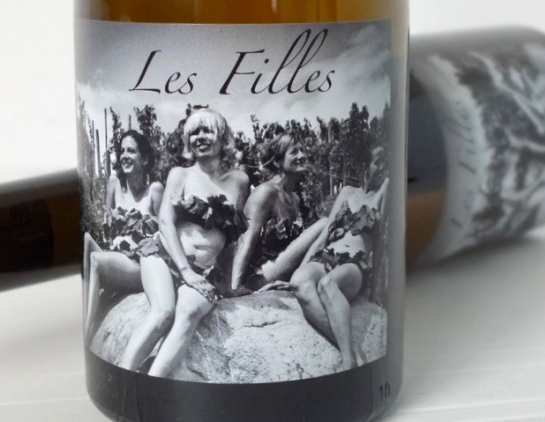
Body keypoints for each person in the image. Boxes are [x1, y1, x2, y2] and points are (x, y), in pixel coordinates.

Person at [121, 107, 249, 376]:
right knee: (163, 312)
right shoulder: (180, 174)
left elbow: (233, 236)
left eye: (207, 130)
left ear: (222, 137)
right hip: (165, 256)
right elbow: (165, 222)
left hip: (204, 271)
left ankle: (152, 385)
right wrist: (185, 271)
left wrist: (228, 285)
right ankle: (121, 379)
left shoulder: (239, 181)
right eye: (194, 132)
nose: (200, 137)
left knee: (189, 313)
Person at [289, 146, 388, 371]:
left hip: (354, 264)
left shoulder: (383, 190)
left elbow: (380, 244)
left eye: (385, 161)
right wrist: (295, 274)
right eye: (378, 161)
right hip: (327, 256)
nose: (383, 166)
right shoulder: (346, 192)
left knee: (327, 285)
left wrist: (373, 292)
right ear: (364, 164)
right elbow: (323, 237)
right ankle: (351, 352)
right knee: (299, 282)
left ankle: (347, 361)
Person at [83, 130, 164, 342]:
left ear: (144, 159)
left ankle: (85, 332)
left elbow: (167, 232)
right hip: (120, 261)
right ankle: (86, 308)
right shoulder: (115, 185)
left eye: (131, 151)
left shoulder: (154, 190)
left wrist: (147, 241)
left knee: (95, 260)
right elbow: (107, 219)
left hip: (141, 266)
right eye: (122, 151)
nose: (124, 156)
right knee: (86, 241)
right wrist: (111, 224)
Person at [231, 132, 327, 293]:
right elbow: (244, 242)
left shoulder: (295, 198)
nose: (302, 156)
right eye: (294, 152)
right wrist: (235, 288)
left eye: (302, 150)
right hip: (259, 275)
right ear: (277, 161)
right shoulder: (265, 192)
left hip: (283, 270)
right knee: (325, 223)